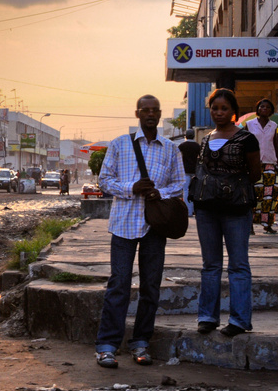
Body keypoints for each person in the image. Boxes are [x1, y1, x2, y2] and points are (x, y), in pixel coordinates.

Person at [94, 94, 184, 368]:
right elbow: (105, 180)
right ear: (137, 113)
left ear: (159, 114)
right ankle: (107, 346)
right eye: (145, 110)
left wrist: (160, 192)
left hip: (154, 227)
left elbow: (179, 184)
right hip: (123, 225)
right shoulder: (120, 144)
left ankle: (141, 343)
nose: (150, 114)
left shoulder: (170, 148)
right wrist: (131, 188)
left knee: (150, 288)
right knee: (119, 285)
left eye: (154, 110)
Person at [192, 88, 261, 338]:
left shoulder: (247, 139)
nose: (219, 113)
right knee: (210, 265)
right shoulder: (206, 138)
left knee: (238, 265)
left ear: (234, 112)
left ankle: (239, 320)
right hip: (207, 209)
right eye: (215, 108)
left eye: (224, 108)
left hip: (236, 209)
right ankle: (207, 317)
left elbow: (255, 173)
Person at [245, 98, 278, 234]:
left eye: (267, 107)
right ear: (257, 109)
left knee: (270, 195)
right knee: (254, 194)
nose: (264, 109)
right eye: (261, 107)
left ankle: (267, 224)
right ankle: (250, 225)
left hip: (270, 162)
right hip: (254, 163)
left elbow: (275, 144)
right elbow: (245, 143)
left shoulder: (274, 126)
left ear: (271, 111)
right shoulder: (250, 124)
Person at [178, 129, 201, 216]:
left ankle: (188, 212)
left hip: (185, 171)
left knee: (186, 191)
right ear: (194, 136)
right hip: (195, 171)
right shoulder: (197, 146)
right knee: (195, 191)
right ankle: (195, 210)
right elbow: (201, 158)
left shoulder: (182, 145)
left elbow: (177, 156)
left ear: (186, 136)